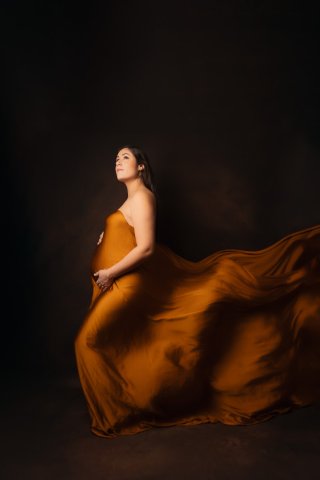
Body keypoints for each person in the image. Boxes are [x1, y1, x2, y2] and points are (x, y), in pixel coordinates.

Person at [74, 145, 320, 439]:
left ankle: (117, 415)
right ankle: (130, 404)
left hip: (126, 284)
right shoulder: (128, 204)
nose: (118, 160)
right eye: (115, 157)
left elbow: (146, 248)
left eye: (125, 157)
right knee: (130, 346)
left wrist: (110, 272)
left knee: (87, 342)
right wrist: (108, 234)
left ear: (141, 167)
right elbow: (128, 236)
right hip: (116, 281)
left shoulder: (143, 198)